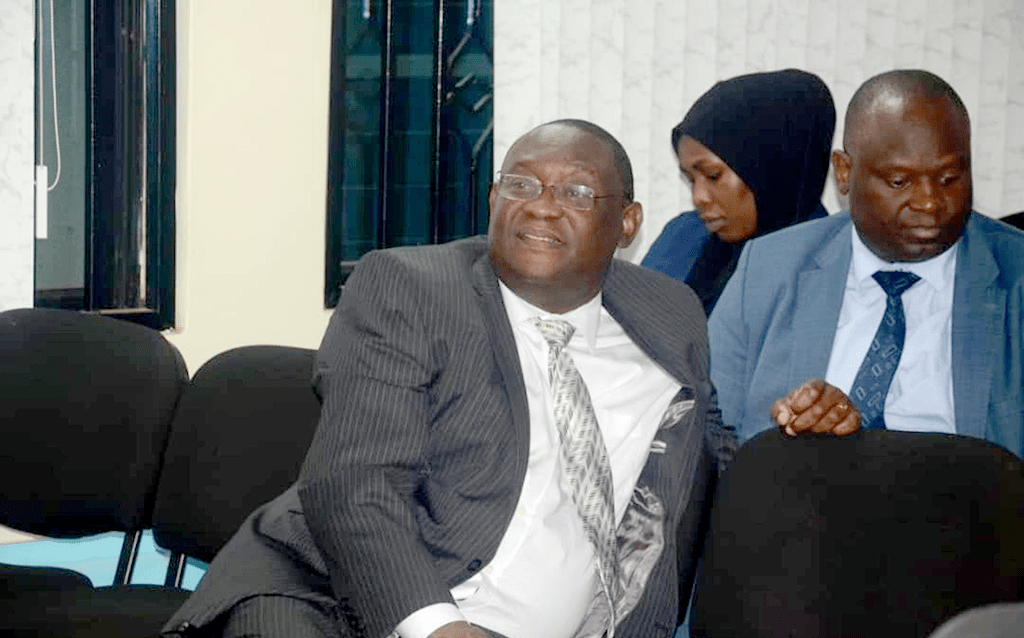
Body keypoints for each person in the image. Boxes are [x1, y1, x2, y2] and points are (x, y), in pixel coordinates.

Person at [163, 120, 855, 638]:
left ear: (627, 223)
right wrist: (437, 627)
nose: (543, 205)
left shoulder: (668, 313)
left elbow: (710, 461)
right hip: (335, 601)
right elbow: (353, 484)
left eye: (577, 192)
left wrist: (801, 428)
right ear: (493, 198)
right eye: (520, 184)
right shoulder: (408, 287)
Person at [709, 69, 1024, 457]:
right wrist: (795, 427)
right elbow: (708, 430)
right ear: (844, 172)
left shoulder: (1016, 276)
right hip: (800, 508)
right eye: (899, 181)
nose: (929, 202)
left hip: (967, 510)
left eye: (948, 178)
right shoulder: (769, 269)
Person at [642, 69, 835, 314]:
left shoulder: (827, 268)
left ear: (771, 167)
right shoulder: (683, 237)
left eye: (713, 175)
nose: (698, 197)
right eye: (691, 179)